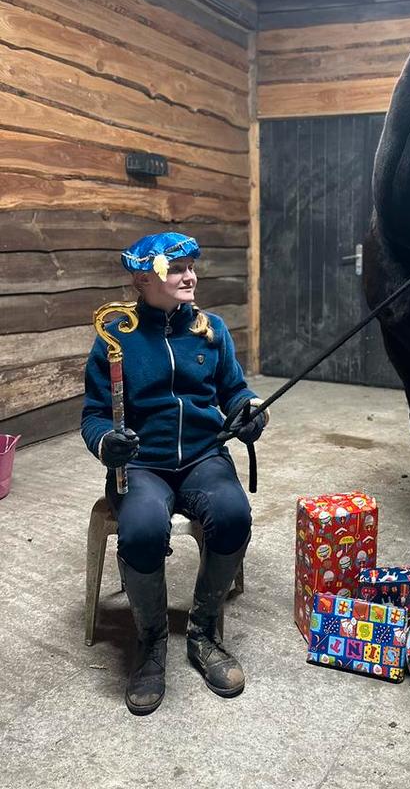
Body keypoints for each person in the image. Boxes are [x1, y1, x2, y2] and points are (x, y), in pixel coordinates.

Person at [81, 231, 267, 716]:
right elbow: (94, 414)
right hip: (143, 464)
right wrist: (107, 443)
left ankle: (204, 633)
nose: (190, 276)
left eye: (192, 266)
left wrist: (249, 413)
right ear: (144, 279)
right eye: (176, 269)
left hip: (204, 457)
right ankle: (152, 643)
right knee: (141, 529)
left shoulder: (211, 329)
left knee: (232, 514)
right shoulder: (115, 338)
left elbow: (234, 390)